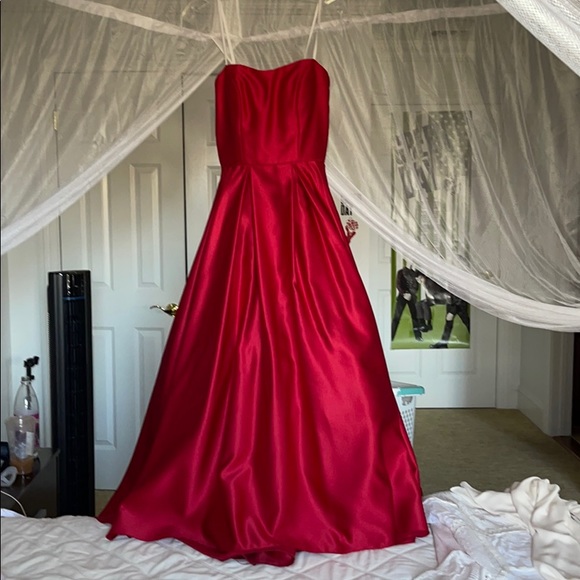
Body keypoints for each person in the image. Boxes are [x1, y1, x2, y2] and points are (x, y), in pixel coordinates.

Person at [99, 59, 428, 567]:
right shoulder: (236, 62)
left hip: (307, 221)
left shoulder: (299, 60)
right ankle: (239, 496)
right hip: (240, 223)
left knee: (332, 363)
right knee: (228, 361)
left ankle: (330, 494)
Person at [416, 273, 470, 348]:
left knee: (464, 321)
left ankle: (444, 342)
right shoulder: (430, 283)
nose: (419, 281)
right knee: (450, 322)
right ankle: (443, 342)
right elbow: (435, 297)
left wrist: (452, 310)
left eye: (420, 278)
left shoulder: (431, 283)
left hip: (457, 302)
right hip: (451, 302)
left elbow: (433, 296)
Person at [391, 266, 423, 341]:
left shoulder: (416, 273)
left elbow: (416, 286)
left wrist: (411, 294)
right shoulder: (401, 272)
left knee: (415, 317)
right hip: (402, 296)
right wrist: (404, 293)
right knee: (397, 317)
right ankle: (391, 336)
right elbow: (398, 284)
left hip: (412, 296)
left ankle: (418, 336)